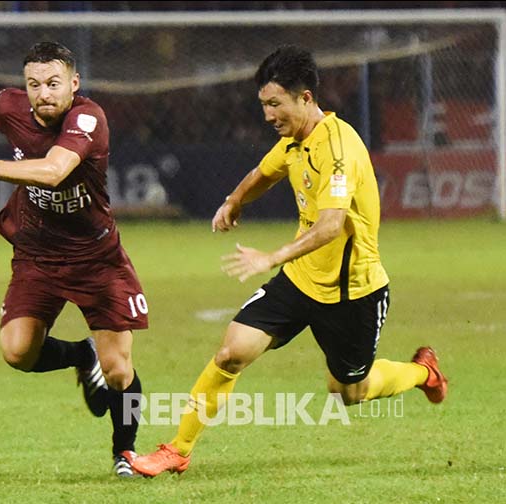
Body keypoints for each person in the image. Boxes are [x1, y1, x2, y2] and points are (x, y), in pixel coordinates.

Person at [132, 45, 448, 477]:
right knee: (231, 352)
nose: (267, 115)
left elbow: (332, 225)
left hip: (352, 290)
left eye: (275, 104)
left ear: (305, 99)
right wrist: (235, 200)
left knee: (348, 392)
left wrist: (272, 256)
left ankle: (421, 372)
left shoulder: (337, 149)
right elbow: (265, 171)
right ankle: (178, 450)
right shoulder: (294, 142)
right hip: (300, 280)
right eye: (263, 105)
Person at [0, 41, 147, 478]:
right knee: (17, 352)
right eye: (34, 84)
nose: (43, 93)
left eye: (53, 83)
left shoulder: (87, 118)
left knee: (120, 372)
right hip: (37, 252)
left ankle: (124, 452)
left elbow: (53, 170)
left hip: (95, 258)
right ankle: (80, 356)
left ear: (74, 83)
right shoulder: (9, 104)